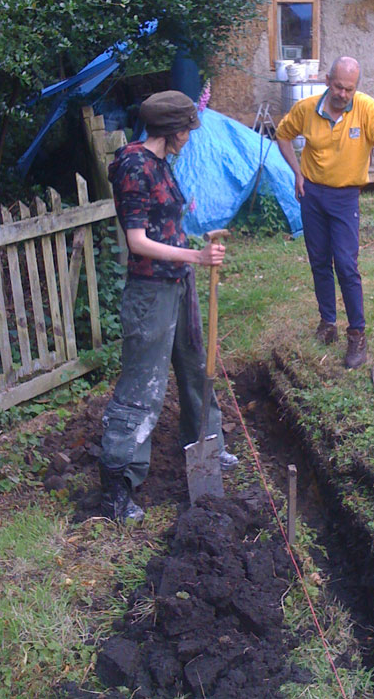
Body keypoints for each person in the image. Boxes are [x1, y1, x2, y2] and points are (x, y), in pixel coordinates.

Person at [98, 90, 238, 522]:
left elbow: (163, 224)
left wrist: (193, 247)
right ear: (174, 130)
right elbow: (137, 241)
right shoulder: (134, 166)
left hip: (178, 284)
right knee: (144, 385)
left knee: (196, 365)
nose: (190, 138)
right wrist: (196, 256)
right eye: (188, 130)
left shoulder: (159, 163)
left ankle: (206, 443)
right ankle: (119, 486)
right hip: (150, 293)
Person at [276, 56, 374, 369]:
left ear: (356, 88)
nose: (343, 94)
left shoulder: (367, 110)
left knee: (347, 265)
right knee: (319, 261)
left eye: (349, 89)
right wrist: (297, 173)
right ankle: (327, 323)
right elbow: (282, 135)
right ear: (328, 81)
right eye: (338, 86)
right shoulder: (306, 109)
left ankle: (357, 335)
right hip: (311, 194)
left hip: (345, 198)